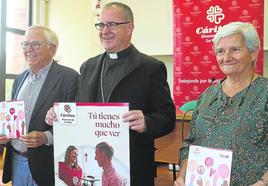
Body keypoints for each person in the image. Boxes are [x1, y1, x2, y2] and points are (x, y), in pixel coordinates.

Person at [46, 2, 175, 185]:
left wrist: (147, 122)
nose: (104, 30)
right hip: (91, 166)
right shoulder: (88, 67)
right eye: (101, 24)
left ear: (129, 27)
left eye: (112, 24)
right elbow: (77, 109)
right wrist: (57, 115)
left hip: (133, 168)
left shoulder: (151, 68)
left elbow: (168, 118)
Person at [174, 22, 268, 186]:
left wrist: (263, 182)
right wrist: (182, 176)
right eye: (220, 51)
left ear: (253, 54)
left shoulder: (265, 92)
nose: (227, 57)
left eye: (235, 49)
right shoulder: (208, 95)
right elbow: (190, 143)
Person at [0, 25, 79, 186]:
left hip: (47, 165)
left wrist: (46, 137)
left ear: (52, 49)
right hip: (16, 160)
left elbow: (76, 123)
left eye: (35, 44)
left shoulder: (70, 78)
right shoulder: (19, 79)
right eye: (25, 44)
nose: (28, 49)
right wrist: (6, 133)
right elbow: (15, 119)